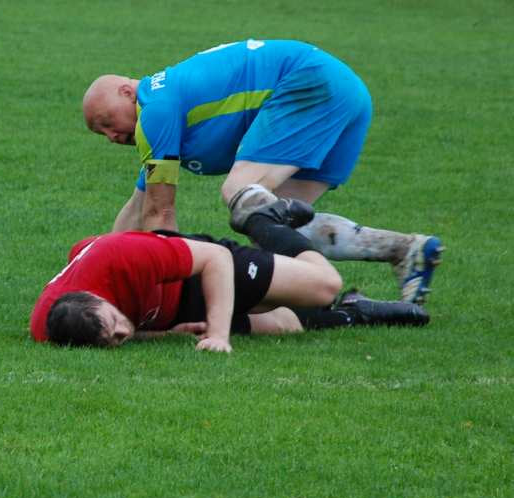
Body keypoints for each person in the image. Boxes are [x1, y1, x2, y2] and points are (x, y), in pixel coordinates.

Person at [82, 38, 444, 304]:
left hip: (308, 82)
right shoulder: (166, 108)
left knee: (239, 191)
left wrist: (166, 289)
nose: (112, 136)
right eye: (101, 134)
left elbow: (160, 215)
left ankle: (310, 295)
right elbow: (138, 205)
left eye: (107, 122)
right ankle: (404, 249)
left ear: (127, 91)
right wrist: (95, 280)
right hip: (345, 90)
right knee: (277, 228)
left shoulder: (154, 108)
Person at [30, 228, 428, 351]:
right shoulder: (53, 326)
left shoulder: (122, 256)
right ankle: (354, 311)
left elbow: (214, 259)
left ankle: (263, 217)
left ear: (101, 297)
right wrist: (160, 332)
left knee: (323, 285)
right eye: (116, 340)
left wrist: (219, 335)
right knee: (283, 326)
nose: (124, 333)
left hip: (196, 266)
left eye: (118, 325)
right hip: (168, 308)